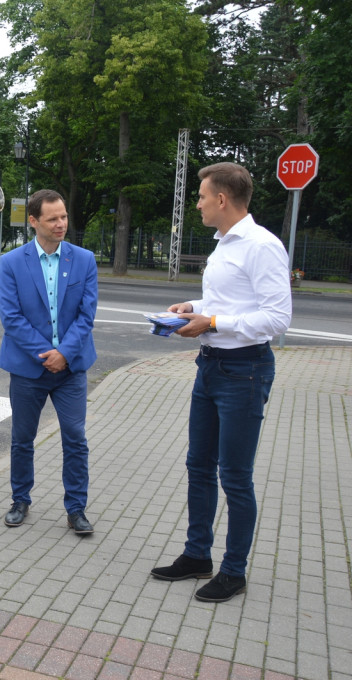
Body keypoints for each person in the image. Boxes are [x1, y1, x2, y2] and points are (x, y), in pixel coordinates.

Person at [151, 162, 291, 603]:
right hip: (211, 366)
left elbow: (276, 318)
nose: (196, 203)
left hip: (245, 371)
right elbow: (227, 300)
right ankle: (197, 555)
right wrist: (195, 307)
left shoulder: (262, 246)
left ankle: (234, 570)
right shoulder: (224, 244)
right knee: (198, 465)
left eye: (201, 196)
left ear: (223, 200)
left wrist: (212, 320)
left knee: (235, 476)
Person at [0, 189, 98, 535]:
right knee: (23, 438)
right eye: (53, 218)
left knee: (75, 437)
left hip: (71, 369)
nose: (61, 224)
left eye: (64, 216)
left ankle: (76, 508)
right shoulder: (12, 262)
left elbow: (86, 315)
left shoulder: (84, 260)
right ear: (34, 221)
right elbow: (11, 318)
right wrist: (46, 355)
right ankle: (20, 499)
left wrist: (64, 354)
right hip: (28, 369)